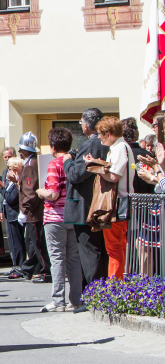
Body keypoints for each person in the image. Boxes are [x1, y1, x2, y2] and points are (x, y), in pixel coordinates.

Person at [63, 108, 110, 286]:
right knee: (94, 251)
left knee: (89, 252)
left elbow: (76, 174)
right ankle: (96, 292)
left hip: (85, 206)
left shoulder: (93, 144)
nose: (81, 126)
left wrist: (67, 160)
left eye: (82, 122)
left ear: (87, 124)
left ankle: (93, 294)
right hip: (92, 204)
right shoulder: (99, 143)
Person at [37, 127, 82, 312]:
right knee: (73, 259)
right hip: (73, 215)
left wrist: (40, 192)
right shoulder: (74, 162)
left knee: (57, 259)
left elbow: (53, 194)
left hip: (54, 217)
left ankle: (58, 301)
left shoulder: (54, 164)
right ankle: (76, 300)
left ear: (53, 146)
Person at [87, 117, 133, 279]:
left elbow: (113, 176)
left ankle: (114, 286)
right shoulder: (120, 146)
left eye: (100, 134)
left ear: (109, 133)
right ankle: (117, 284)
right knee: (118, 246)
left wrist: (97, 168)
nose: (98, 137)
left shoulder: (120, 147)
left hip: (117, 202)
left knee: (114, 247)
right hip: (120, 201)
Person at [14, 132, 49, 283]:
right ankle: (31, 268)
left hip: (34, 212)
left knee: (39, 244)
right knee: (35, 243)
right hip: (35, 211)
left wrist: (24, 209)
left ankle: (46, 271)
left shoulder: (29, 166)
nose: (20, 153)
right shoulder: (34, 162)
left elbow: (29, 191)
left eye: (21, 150)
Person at [0, 147, 27, 279]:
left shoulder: (17, 180)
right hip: (8, 213)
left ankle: (20, 267)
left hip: (15, 213)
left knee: (18, 242)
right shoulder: (6, 175)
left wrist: (1, 189)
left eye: (11, 167)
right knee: (12, 242)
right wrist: (1, 209)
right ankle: (15, 265)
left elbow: (11, 198)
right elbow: (5, 198)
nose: (8, 170)